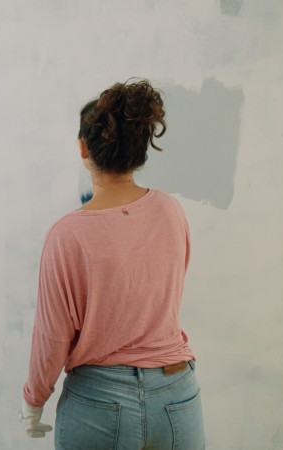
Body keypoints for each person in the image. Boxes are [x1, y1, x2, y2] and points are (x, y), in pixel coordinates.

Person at [20, 79, 205, 449]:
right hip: (177, 394)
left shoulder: (67, 234)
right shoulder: (171, 211)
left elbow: (52, 337)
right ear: (140, 150)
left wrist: (33, 402)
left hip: (99, 404)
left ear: (83, 148)